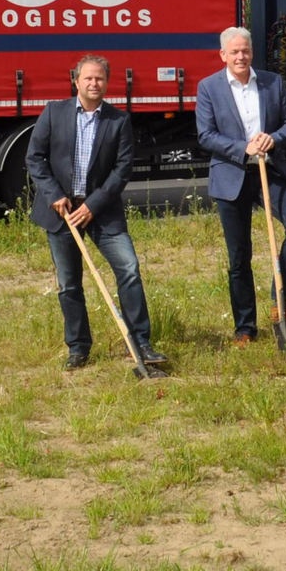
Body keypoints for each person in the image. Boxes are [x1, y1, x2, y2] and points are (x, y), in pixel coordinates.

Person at [27, 54, 168, 370]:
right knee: (69, 283)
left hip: (102, 211)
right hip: (62, 212)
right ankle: (78, 348)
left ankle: (140, 343)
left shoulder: (118, 120)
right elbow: (35, 158)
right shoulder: (54, 112)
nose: (94, 83)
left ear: (107, 83)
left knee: (129, 269)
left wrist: (93, 205)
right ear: (76, 81)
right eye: (88, 78)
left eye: (99, 78)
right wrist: (54, 195)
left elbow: (122, 169)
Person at [196, 26, 286, 345]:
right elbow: (206, 135)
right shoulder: (209, 87)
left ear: (252, 52)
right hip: (231, 174)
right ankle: (245, 327)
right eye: (234, 52)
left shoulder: (272, 83)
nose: (241, 57)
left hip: (270, 171)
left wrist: (272, 138)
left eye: (245, 50)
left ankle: (282, 302)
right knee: (239, 256)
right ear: (223, 55)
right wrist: (242, 147)